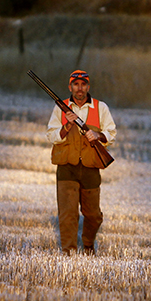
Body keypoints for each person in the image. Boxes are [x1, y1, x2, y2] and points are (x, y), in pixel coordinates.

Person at [45, 69, 117, 255]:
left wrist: (98, 135)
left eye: (83, 84)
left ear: (88, 86)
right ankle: (68, 253)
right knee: (67, 215)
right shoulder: (60, 108)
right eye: (76, 84)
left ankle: (88, 245)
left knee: (94, 216)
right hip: (66, 167)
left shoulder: (101, 108)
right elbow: (51, 135)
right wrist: (67, 125)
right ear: (70, 87)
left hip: (91, 167)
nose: (79, 88)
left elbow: (112, 133)